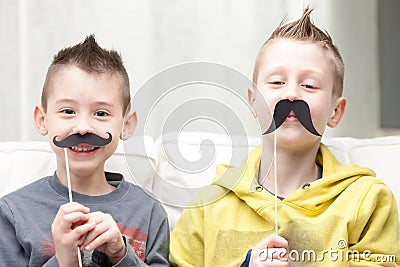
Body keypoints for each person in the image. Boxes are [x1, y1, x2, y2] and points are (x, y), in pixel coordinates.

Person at [170, 7, 400, 266]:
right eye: (277, 82)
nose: (291, 94)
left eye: (309, 85)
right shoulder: (209, 204)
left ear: (335, 112)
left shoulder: (367, 200)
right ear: (254, 103)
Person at [0, 35, 170, 266]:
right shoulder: (13, 212)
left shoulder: (149, 211)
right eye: (68, 111)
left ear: (126, 125)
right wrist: (64, 258)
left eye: (101, 113)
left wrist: (121, 254)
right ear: (42, 120)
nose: (82, 128)